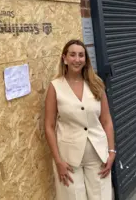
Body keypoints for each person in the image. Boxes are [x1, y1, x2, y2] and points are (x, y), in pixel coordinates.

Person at [44, 39, 115, 200]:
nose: (77, 59)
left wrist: (111, 152)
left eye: (81, 55)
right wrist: (58, 161)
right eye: (72, 55)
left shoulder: (96, 84)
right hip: (68, 160)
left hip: (98, 156)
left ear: (86, 59)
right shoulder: (55, 87)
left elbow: (106, 121)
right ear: (65, 58)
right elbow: (49, 126)